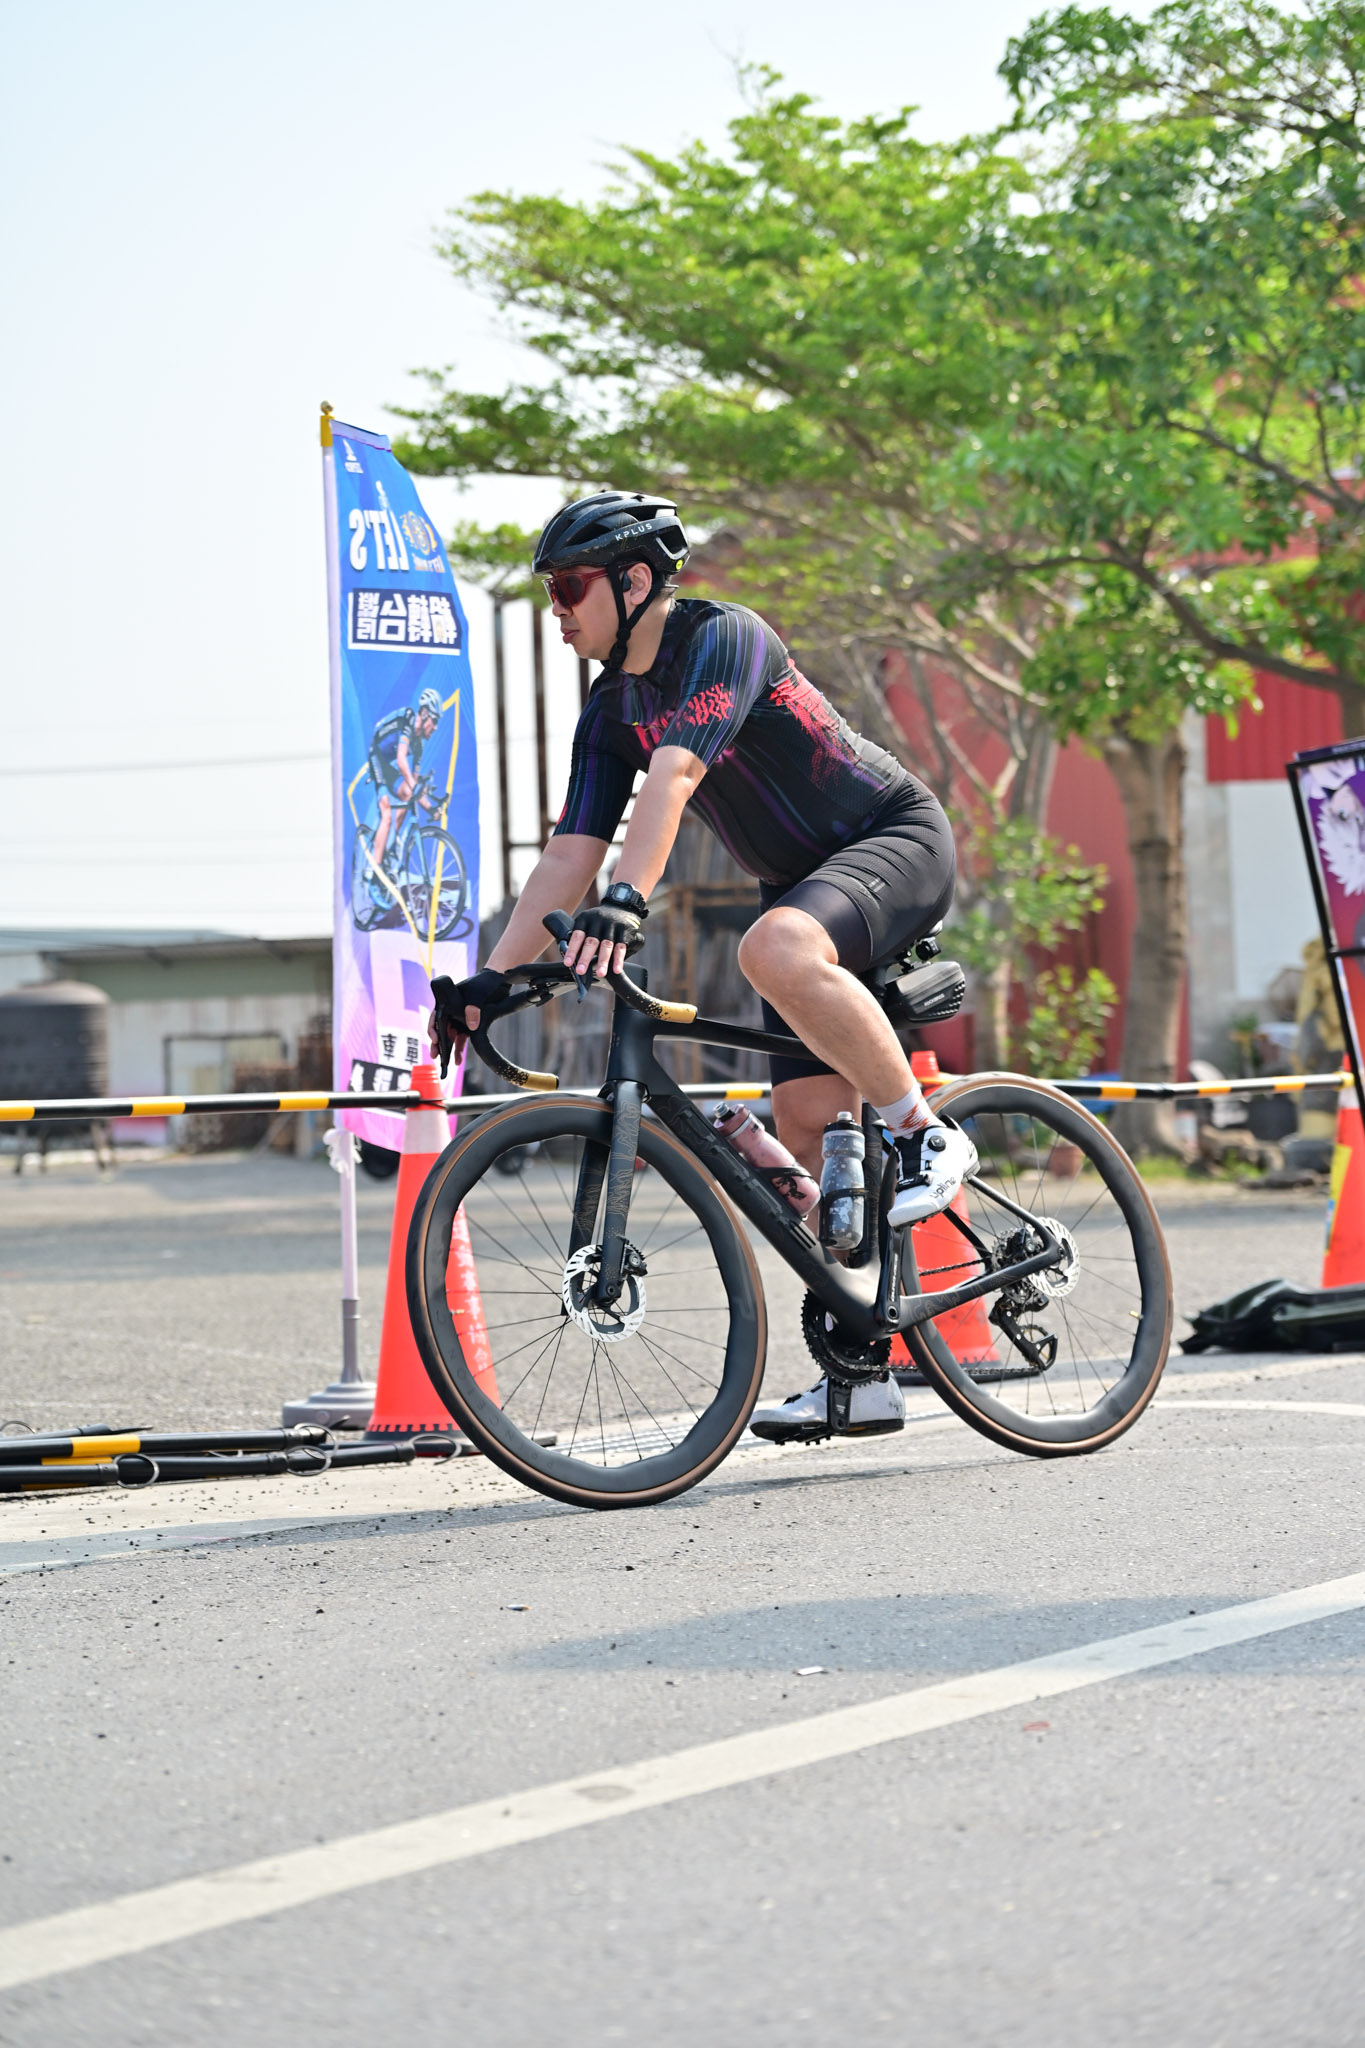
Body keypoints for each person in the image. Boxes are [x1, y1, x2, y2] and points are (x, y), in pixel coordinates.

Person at [431, 489, 974, 1442]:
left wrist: (626, 900)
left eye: (569, 588)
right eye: (550, 593)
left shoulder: (724, 638)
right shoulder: (610, 709)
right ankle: (862, 1372)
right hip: (796, 884)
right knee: (806, 1128)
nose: (557, 611)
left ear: (635, 581)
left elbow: (677, 774)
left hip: (890, 837)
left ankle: (925, 1134)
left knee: (771, 951)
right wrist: (495, 980)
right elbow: (569, 852)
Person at [369, 688, 442, 871]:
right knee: (386, 814)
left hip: (387, 765)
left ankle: (391, 844)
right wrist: (416, 789)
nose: (435, 727)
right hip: (376, 756)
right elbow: (401, 760)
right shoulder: (408, 719)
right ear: (424, 714)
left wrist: (430, 808)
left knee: (408, 794)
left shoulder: (419, 746)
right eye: (434, 721)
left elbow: (413, 789)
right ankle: (374, 873)